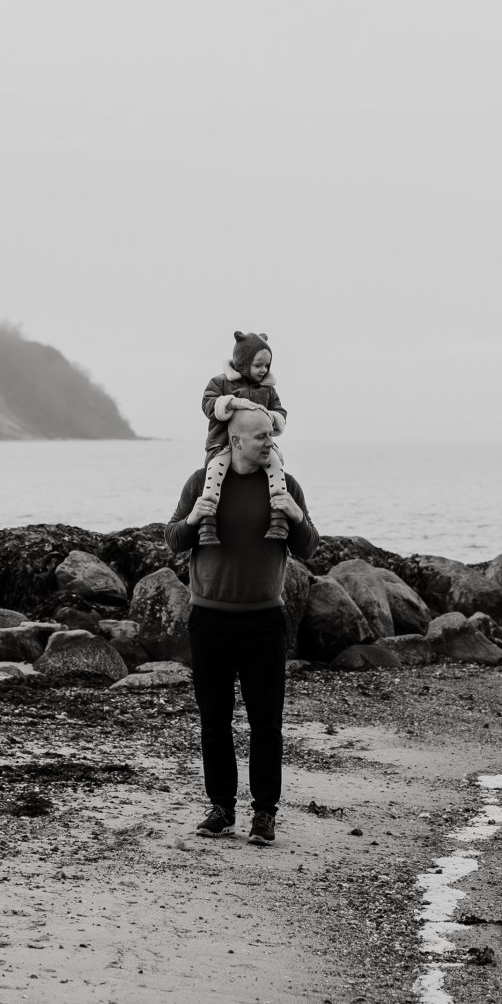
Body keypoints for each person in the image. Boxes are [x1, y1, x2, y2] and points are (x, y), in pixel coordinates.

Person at [167, 403, 318, 846]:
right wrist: (195, 518)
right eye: (260, 437)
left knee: (266, 723)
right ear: (235, 441)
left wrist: (293, 515)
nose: (270, 443)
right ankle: (221, 808)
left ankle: (264, 813)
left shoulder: (285, 485)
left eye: (272, 435)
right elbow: (173, 539)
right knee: (214, 721)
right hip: (209, 619)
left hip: (266, 622)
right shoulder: (201, 482)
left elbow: (309, 547)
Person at [190, 332, 291, 544]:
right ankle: (207, 524)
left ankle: (279, 520)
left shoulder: (268, 390)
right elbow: (208, 405)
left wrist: (267, 416)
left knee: (276, 466)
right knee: (214, 472)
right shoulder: (220, 383)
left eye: (267, 365)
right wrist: (232, 403)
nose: (264, 370)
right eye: (258, 365)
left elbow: (280, 413)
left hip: (257, 446)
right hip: (223, 444)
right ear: (243, 363)